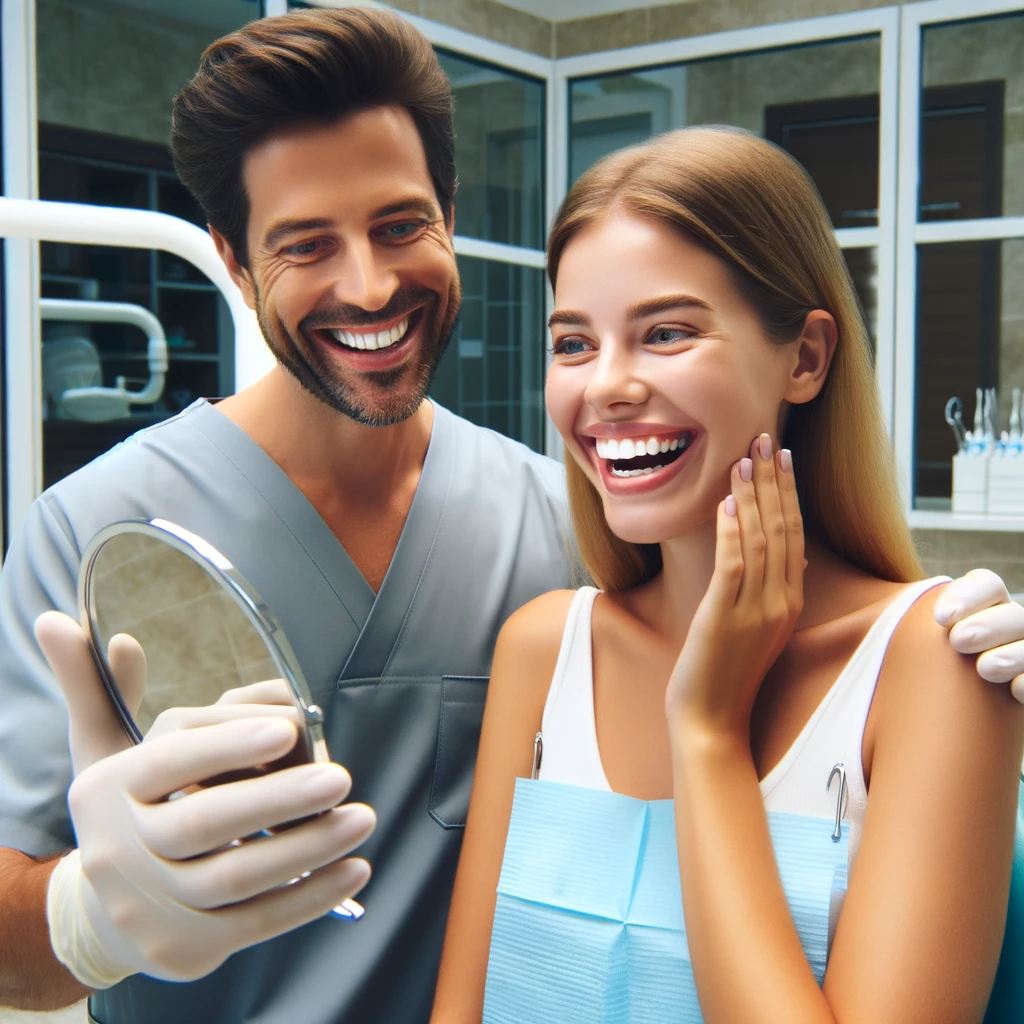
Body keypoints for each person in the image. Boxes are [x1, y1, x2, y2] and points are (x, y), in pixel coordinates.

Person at [0, 11, 1018, 1024]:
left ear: (449, 211)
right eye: (306, 244)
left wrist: (926, 658)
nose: (369, 283)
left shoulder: (554, 530)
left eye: (401, 224)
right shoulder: (95, 533)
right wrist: (89, 915)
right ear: (232, 258)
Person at [431, 127, 1024, 1023]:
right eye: (574, 343)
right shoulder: (543, 647)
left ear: (806, 357)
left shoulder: (931, 670)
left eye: (666, 332)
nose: (608, 388)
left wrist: (707, 732)